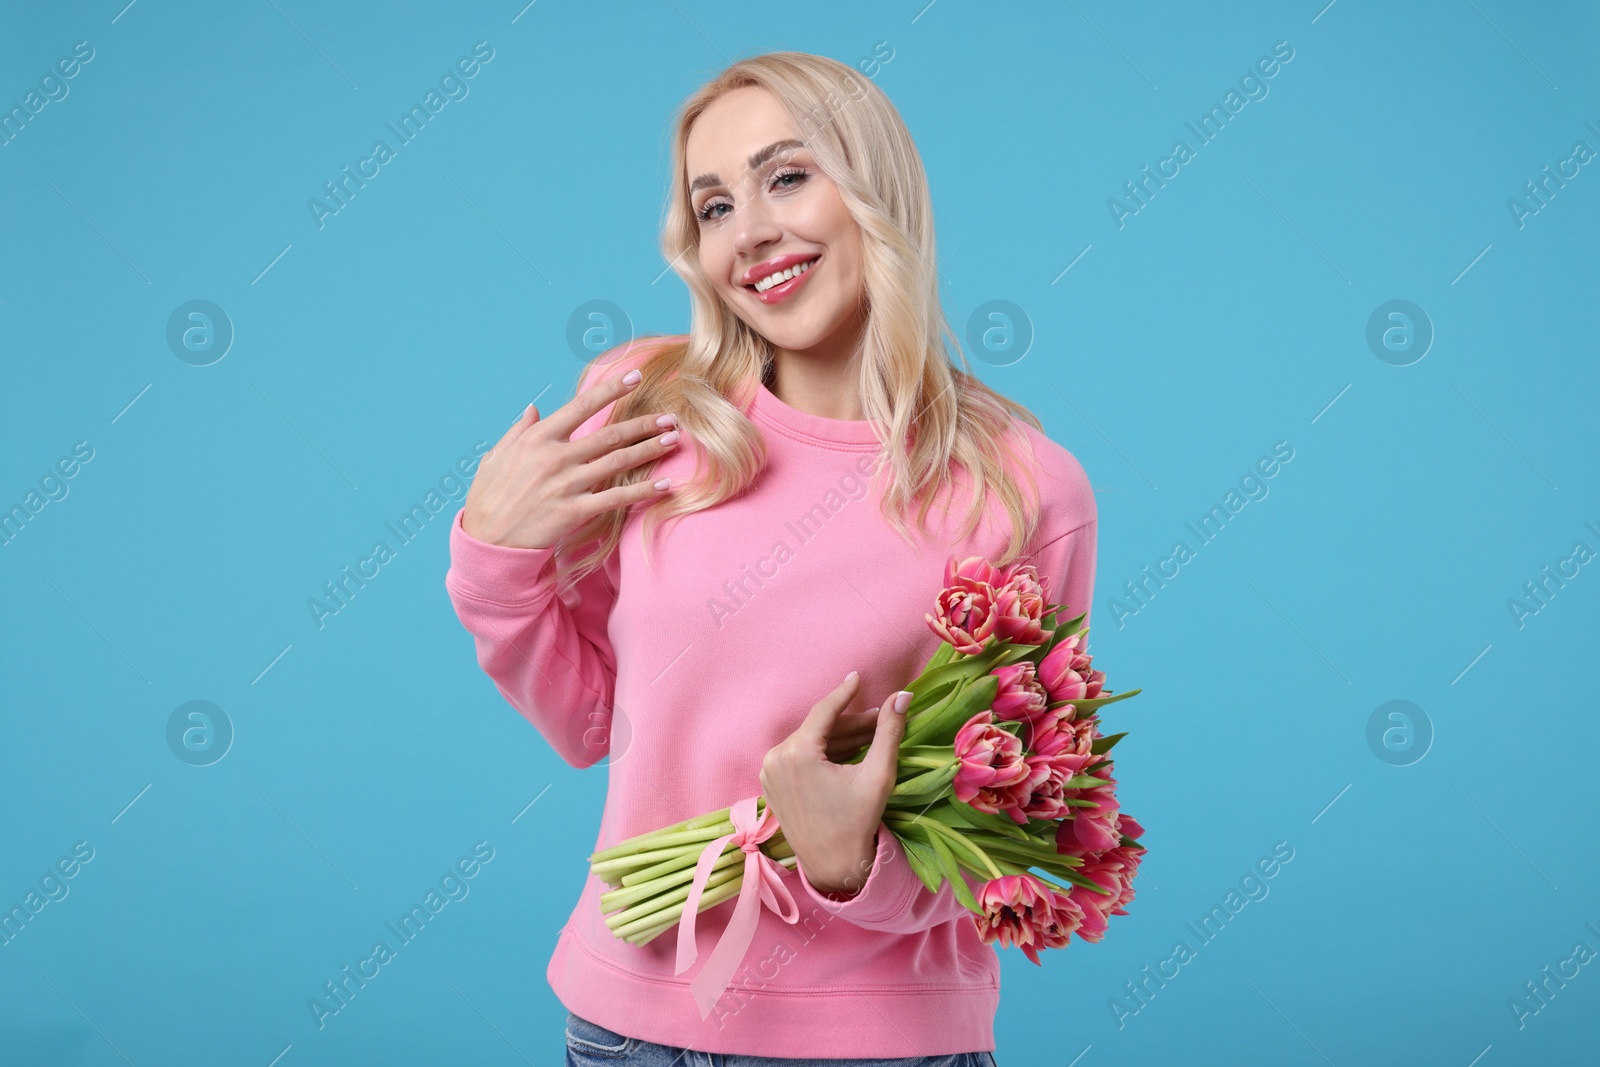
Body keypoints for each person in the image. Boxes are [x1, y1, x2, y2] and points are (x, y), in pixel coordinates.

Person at [445, 51, 1095, 1066]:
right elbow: (590, 722)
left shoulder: (1022, 487)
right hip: (630, 1031)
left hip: (883, 1045)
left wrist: (854, 866)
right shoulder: (647, 407)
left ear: (875, 190)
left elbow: (1018, 814)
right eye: (711, 207)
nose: (747, 233)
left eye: (786, 176)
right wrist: (493, 556)